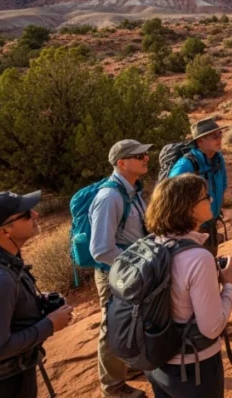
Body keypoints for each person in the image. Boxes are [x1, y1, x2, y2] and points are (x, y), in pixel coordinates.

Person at [0, 190, 75, 398]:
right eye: (25, 214)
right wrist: (50, 324)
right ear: (4, 232)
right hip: (0, 388)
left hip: (8, 378)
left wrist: (34, 301)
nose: (35, 214)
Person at [144, 174, 232, 398]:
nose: (211, 200)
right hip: (193, 368)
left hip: (157, 362)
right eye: (205, 197)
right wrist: (230, 285)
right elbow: (212, 327)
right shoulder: (197, 258)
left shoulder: (153, 245)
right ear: (189, 209)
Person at [90, 139, 151, 398]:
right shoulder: (110, 197)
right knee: (114, 326)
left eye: (145, 153)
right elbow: (101, 250)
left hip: (130, 269)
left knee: (133, 319)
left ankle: (130, 364)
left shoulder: (132, 190)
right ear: (121, 163)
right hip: (114, 272)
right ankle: (113, 387)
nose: (146, 158)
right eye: (139, 155)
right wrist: (136, 263)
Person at [168, 117, 228, 255]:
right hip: (192, 230)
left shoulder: (218, 159)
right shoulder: (185, 165)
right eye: (214, 136)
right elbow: (170, 199)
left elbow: (223, 184)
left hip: (211, 223)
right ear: (200, 141)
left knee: (212, 264)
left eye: (220, 134)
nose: (219, 139)